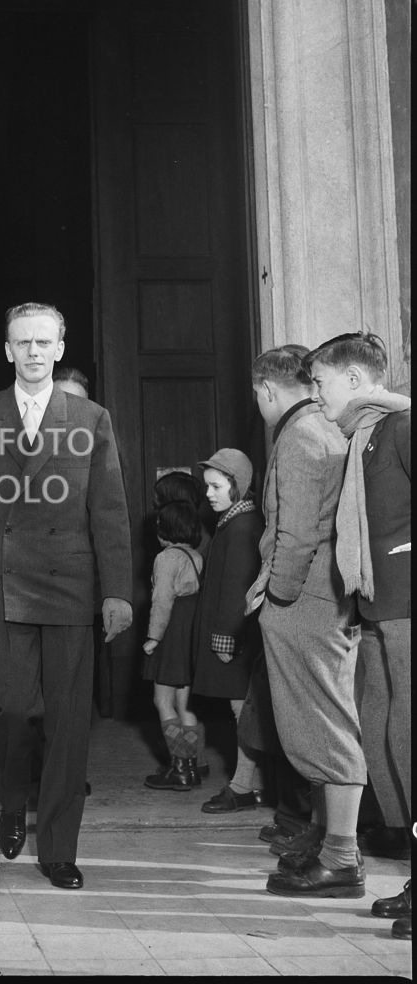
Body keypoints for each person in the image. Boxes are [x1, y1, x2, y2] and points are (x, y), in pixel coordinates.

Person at [0, 303, 132, 889]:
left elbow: (108, 509)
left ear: (59, 348)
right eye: (22, 342)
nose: (33, 352)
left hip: (70, 584)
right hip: (1, 582)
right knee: (12, 709)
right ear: (7, 349)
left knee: (68, 721)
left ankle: (58, 848)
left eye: (43, 342)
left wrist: (117, 591)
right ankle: (12, 805)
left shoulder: (91, 417)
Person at [303, 332, 409, 923]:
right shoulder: (364, 438)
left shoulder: (402, 428)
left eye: (320, 383)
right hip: (376, 608)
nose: (316, 395)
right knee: (385, 735)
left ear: (352, 379)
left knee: (408, 737)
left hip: (405, 606)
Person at [242, 346, 345, 876]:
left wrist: (277, 595)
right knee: (323, 722)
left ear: (266, 389)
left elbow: (297, 533)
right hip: (324, 595)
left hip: (303, 601)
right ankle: (327, 838)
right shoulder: (325, 427)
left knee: (318, 728)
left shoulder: (299, 434)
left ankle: (339, 855)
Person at [192, 449, 265, 814]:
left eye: (216, 486)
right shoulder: (233, 522)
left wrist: (225, 638)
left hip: (236, 638)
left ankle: (244, 787)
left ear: (238, 485)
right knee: (244, 712)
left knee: (243, 713)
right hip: (236, 637)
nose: (208, 493)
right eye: (207, 486)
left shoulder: (241, 527)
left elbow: (237, 588)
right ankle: (253, 784)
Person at [142, 501, 204, 790]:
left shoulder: (166, 558)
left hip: (171, 631)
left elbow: (162, 600)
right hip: (190, 632)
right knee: (185, 705)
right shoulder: (195, 555)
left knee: (162, 702)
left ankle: (179, 767)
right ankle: (191, 767)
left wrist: (153, 637)